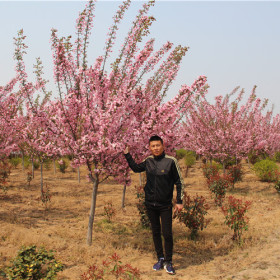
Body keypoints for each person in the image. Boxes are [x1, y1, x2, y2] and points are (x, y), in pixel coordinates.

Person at [124, 135, 185, 275]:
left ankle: (169, 261)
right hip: (150, 203)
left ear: (163, 146)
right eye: (153, 146)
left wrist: (179, 201)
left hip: (165, 205)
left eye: (158, 145)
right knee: (156, 232)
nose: (156, 148)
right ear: (150, 148)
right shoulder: (148, 161)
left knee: (167, 233)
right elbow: (136, 168)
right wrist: (127, 154)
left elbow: (179, 182)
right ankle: (160, 258)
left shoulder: (171, 161)